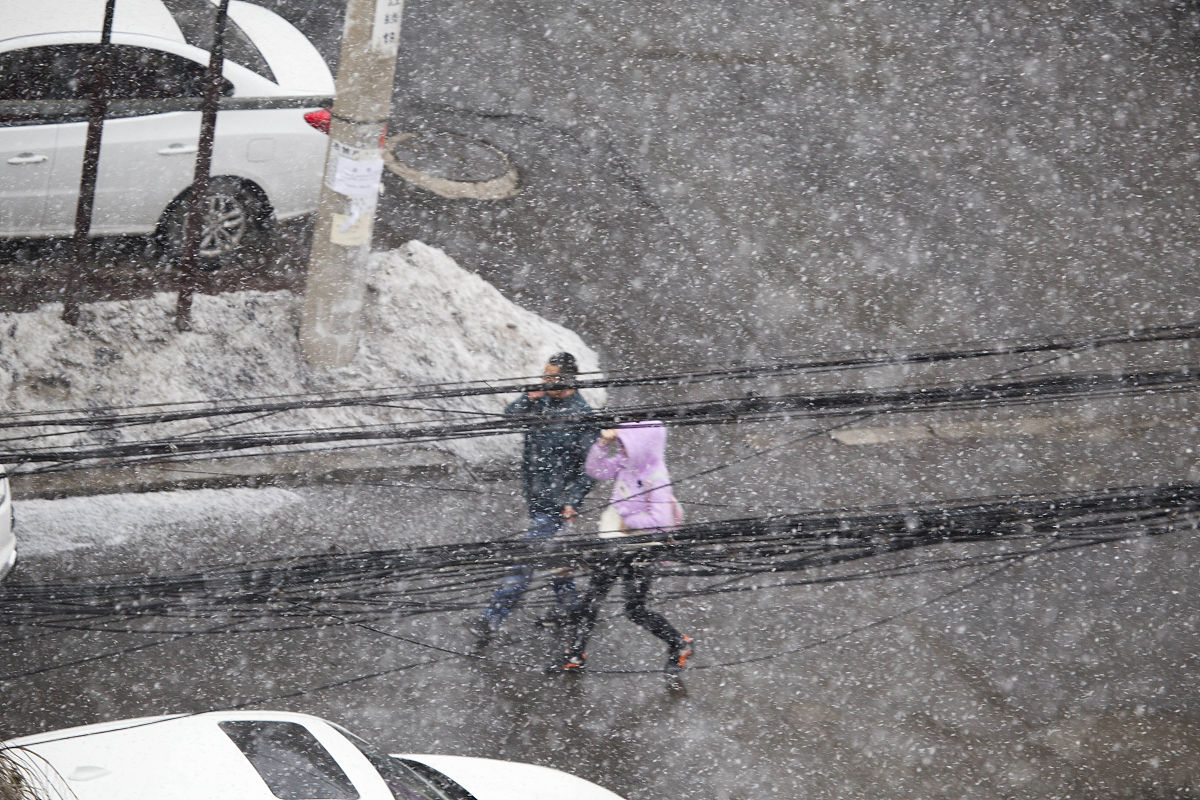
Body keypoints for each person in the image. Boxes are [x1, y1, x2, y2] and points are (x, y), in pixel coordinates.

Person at [468, 352, 599, 648]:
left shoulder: (582, 416)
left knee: (525, 561)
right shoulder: (539, 403)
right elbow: (509, 418)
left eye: (551, 377)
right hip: (536, 496)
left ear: (568, 380)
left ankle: (491, 619)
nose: (544, 381)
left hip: (556, 505)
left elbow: (589, 470)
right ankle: (570, 607)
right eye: (544, 375)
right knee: (555, 557)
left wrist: (572, 501)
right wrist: (527, 399)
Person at [549, 420, 694, 674]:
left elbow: (661, 522)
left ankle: (679, 643)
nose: (623, 449)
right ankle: (575, 654)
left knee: (634, 609)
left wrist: (628, 522)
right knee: (592, 599)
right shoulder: (627, 462)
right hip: (615, 543)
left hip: (641, 550)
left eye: (627, 444)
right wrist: (603, 444)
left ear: (643, 446)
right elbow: (596, 469)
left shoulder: (656, 476)